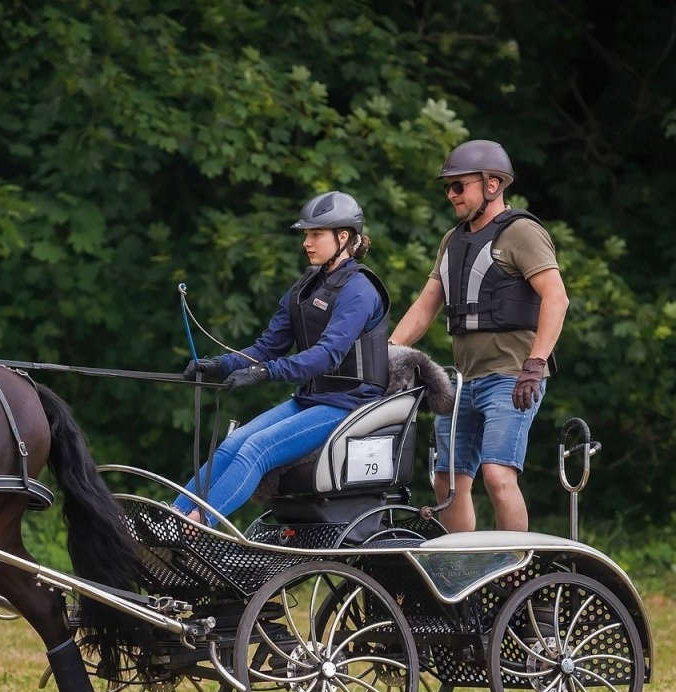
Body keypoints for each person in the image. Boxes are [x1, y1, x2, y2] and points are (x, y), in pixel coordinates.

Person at [387, 139, 568, 532]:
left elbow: (557, 298)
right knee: (446, 481)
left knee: (499, 477)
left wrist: (535, 364)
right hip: (462, 382)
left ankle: (513, 572)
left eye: (458, 185)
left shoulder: (521, 232)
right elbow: (425, 306)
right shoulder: (453, 241)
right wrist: (389, 352)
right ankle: (463, 573)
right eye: (448, 187)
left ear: (492, 184)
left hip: (511, 378)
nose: (451, 195)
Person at [177, 190, 390, 521]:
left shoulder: (359, 290)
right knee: (230, 446)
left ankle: (198, 524)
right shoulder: (306, 286)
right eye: (306, 234)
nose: (307, 241)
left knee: (255, 450)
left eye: (316, 234)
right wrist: (221, 365)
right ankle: (174, 516)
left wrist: (265, 373)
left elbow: (327, 356)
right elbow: (267, 347)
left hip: (349, 404)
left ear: (343, 237)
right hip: (312, 398)